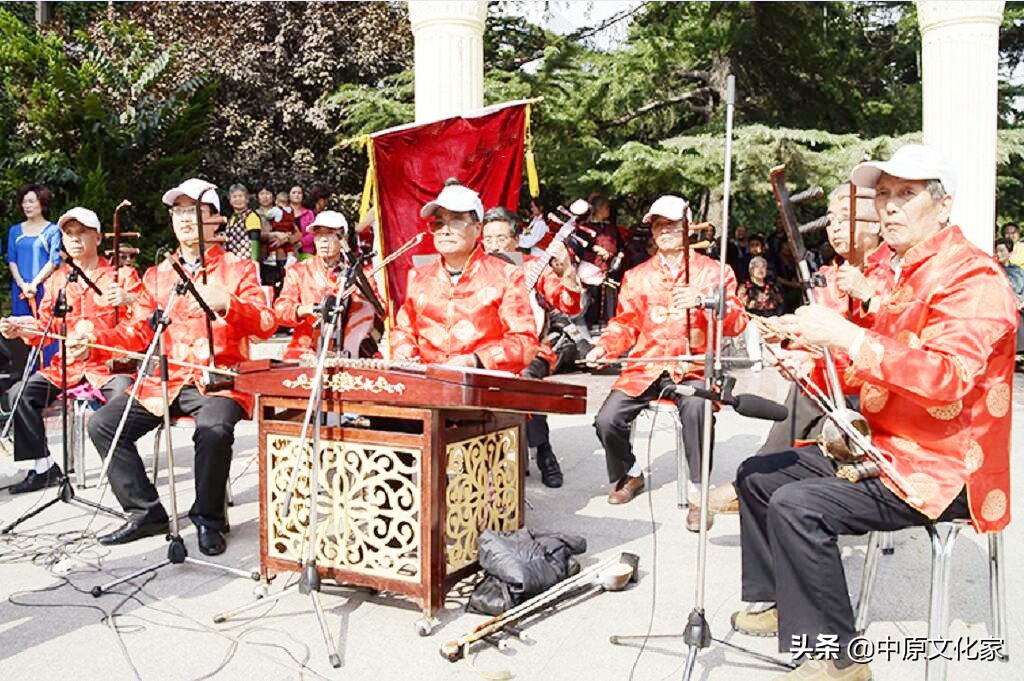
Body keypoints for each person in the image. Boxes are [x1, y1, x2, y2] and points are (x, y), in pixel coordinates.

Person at [730, 145, 1015, 681]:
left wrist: (846, 334)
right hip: (887, 446)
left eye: (905, 194)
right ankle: (778, 604)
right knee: (757, 476)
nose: (888, 207)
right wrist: (802, 352)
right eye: (882, 195)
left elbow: (947, 376)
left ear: (944, 205)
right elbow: (868, 370)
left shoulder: (974, 278)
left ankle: (838, 661)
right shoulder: (904, 273)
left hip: (946, 467)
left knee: (797, 504)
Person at [81, 178, 278, 555]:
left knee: (214, 429)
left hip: (219, 379)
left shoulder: (239, 268)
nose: (185, 220)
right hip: (165, 381)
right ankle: (145, 512)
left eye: (194, 212)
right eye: (179, 212)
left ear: (214, 220)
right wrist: (93, 345)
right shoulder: (159, 274)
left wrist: (228, 303)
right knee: (103, 424)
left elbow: (268, 322)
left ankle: (208, 519)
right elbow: (138, 329)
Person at [584, 195, 747, 532]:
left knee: (697, 410)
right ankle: (630, 473)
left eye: (673, 224)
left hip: (694, 367)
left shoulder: (714, 272)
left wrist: (703, 303)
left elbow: (737, 322)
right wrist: (604, 347)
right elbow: (625, 325)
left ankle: (699, 493)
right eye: (659, 225)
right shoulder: (636, 276)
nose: (666, 231)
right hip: (647, 366)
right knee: (607, 420)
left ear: (688, 228)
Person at [0, 207, 142, 493]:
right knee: (19, 394)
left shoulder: (122, 275)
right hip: (67, 366)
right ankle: (42, 466)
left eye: (82, 233)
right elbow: (46, 325)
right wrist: (20, 328)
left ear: (99, 238)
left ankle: (124, 476)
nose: (75, 240)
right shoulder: (58, 279)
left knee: (123, 402)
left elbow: (140, 328)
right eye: (69, 234)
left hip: (110, 366)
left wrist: (128, 302)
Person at [481, 207, 582, 487]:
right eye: (487, 239)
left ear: (516, 240)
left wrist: (567, 275)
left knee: (524, 380)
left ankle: (543, 450)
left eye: (500, 239)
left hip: (531, 349)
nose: (493, 245)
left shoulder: (532, 267)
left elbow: (569, 305)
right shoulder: (478, 270)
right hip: (487, 349)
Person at [390, 184, 537, 373]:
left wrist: (474, 360)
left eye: (457, 222)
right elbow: (403, 329)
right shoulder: (419, 277)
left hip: (483, 386)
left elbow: (524, 343)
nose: (445, 231)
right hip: (428, 384)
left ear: (477, 230)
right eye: (439, 223)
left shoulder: (507, 275)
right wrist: (403, 347)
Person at [274, 210, 381, 361]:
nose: (323, 240)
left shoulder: (359, 273)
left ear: (344, 237)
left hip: (353, 349)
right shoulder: (299, 271)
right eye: (318, 235)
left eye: (330, 234)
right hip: (306, 349)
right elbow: (279, 311)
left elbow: (382, 311)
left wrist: (363, 294)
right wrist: (304, 309)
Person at [6, 184, 62, 367]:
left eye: (31, 201)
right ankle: (23, 371)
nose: (26, 206)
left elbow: (54, 261)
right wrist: (22, 284)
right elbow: (12, 259)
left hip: (44, 289)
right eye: (24, 202)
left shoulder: (52, 230)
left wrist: (35, 283)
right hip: (21, 289)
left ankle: (49, 368)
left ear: (42, 203)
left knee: (47, 328)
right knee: (21, 329)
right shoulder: (15, 231)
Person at [994, 237, 1024, 361]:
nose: (998, 254)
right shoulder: (994, 269)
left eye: (1002, 251)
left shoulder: (1018, 271)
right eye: (997, 251)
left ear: (1010, 252)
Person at [222, 184, 264, 261]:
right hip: (232, 261)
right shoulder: (232, 218)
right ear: (230, 201)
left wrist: (254, 261)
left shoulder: (251, 216)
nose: (237, 199)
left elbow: (255, 239)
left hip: (246, 262)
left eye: (240, 196)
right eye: (234, 197)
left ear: (247, 199)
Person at [290, 184, 316, 257]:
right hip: (286, 252)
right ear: (289, 195)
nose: (297, 195)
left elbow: (313, 233)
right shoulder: (282, 212)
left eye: (299, 193)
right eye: (294, 192)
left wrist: (300, 243)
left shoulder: (309, 213)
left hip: (306, 251)